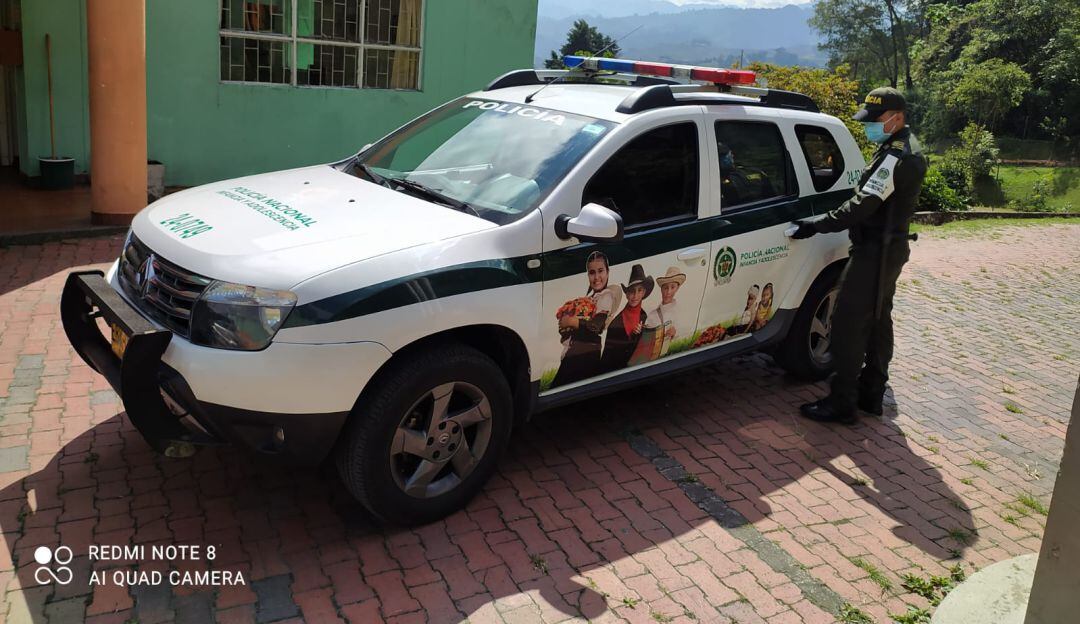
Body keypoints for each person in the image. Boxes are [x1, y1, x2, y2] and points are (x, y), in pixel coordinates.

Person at [789, 87, 928, 424]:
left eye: (874, 120)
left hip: (875, 253)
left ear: (896, 118)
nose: (869, 127)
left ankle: (842, 402)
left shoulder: (897, 156)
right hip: (888, 248)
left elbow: (863, 204)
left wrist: (817, 225)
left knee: (848, 325)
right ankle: (872, 392)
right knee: (879, 320)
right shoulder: (903, 147)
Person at [551, 251, 621, 387]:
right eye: (592, 272)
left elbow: (596, 327)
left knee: (563, 386)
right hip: (580, 350)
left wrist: (572, 322)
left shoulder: (606, 296)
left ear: (608, 272)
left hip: (586, 352)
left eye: (600, 271)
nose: (596, 277)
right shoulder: (591, 298)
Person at [600, 264, 652, 373]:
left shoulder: (644, 316)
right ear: (627, 294)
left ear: (644, 292)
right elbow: (608, 358)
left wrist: (641, 335)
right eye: (632, 291)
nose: (635, 296)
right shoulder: (616, 323)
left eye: (639, 290)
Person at [629, 266, 684, 365]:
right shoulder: (652, 314)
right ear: (661, 289)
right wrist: (639, 331)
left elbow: (686, 332)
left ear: (678, 287)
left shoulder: (680, 310)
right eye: (665, 288)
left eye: (673, 287)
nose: (668, 292)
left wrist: (676, 332)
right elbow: (644, 340)